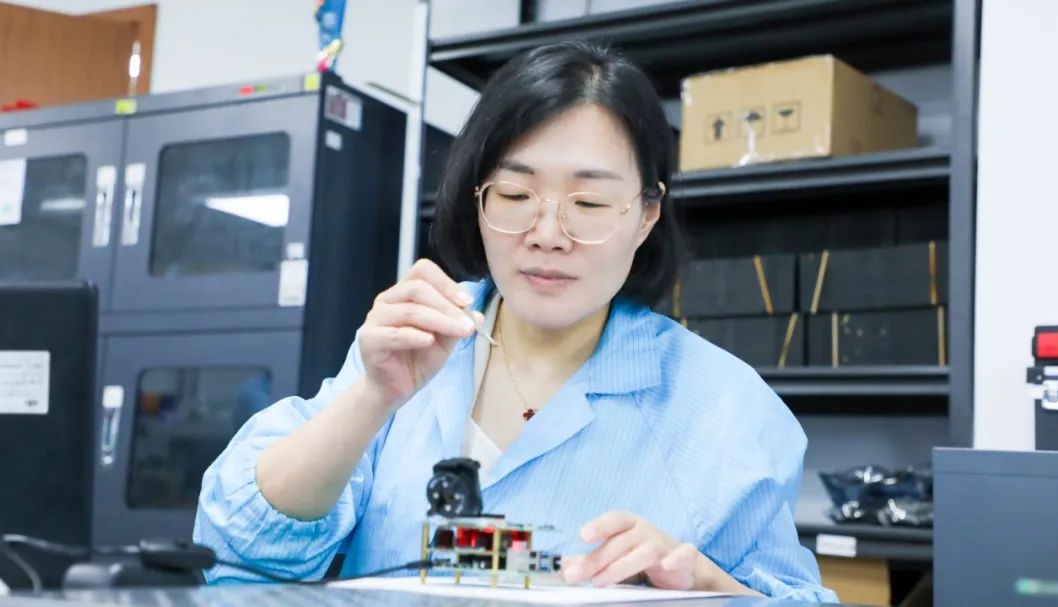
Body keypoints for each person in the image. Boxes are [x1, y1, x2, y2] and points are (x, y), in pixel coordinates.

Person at [194, 41, 836, 601]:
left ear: (645, 215)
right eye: (514, 194)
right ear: (477, 198)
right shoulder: (417, 339)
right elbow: (241, 554)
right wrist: (370, 396)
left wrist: (704, 585)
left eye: (589, 202)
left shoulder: (724, 408)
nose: (547, 233)